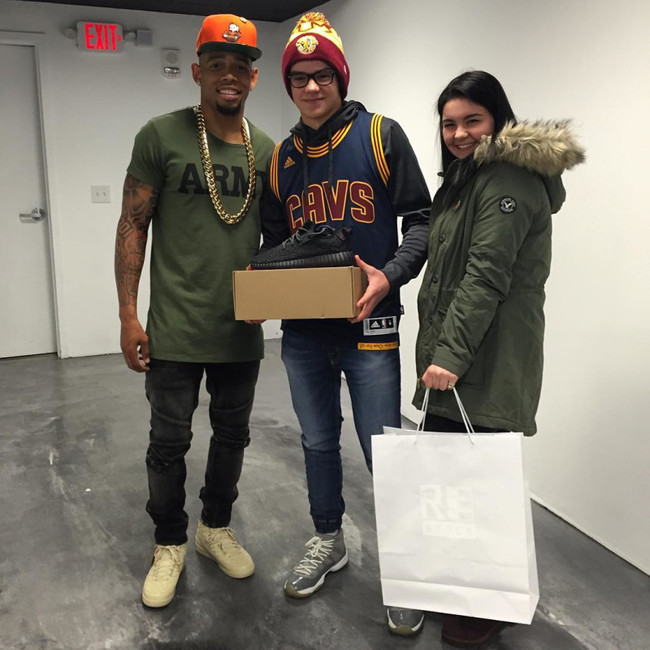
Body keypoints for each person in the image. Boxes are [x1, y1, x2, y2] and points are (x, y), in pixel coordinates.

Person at [258, 11, 431, 635]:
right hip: (305, 332)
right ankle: (328, 539)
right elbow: (273, 247)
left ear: (340, 77)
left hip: (370, 327)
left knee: (385, 451)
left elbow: (422, 222)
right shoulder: (280, 160)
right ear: (288, 85)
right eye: (299, 77)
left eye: (322, 74)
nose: (311, 86)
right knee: (316, 441)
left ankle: (408, 569)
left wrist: (389, 276)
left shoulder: (381, 135)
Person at [412, 71, 585, 646]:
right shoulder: (468, 179)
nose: (459, 133)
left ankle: (487, 605)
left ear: (498, 120)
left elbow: (486, 276)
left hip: (487, 354)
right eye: (449, 123)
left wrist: (449, 354)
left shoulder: (506, 179)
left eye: (472, 120)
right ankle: (459, 587)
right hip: (465, 350)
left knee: (480, 481)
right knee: (454, 481)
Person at [114, 14, 274, 608]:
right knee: (168, 441)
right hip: (174, 328)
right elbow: (132, 225)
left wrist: (274, 297)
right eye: (217, 63)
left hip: (240, 329)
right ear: (197, 71)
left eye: (240, 65)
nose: (229, 74)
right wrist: (129, 315)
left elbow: (281, 241)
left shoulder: (267, 150)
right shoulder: (161, 135)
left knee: (233, 436)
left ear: (253, 77)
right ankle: (169, 542)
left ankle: (214, 528)